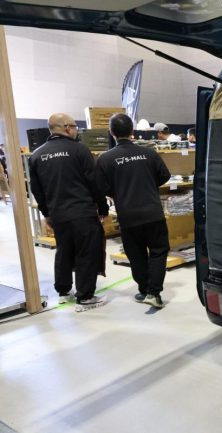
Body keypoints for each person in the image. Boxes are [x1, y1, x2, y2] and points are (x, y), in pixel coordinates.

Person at [28, 113, 108, 311]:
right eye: (74, 126)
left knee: (63, 250)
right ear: (66, 128)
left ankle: (63, 291)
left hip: (58, 214)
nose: (75, 130)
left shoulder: (37, 155)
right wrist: (103, 206)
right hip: (82, 211)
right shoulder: (79, 150)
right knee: (86, 252)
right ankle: (85, 296)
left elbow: (37, 190)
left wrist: (47, 213)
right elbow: (93, 181)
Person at [96, 114, 171, 308]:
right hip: (152, 211)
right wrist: (147, 184)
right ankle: (154, 292)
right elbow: (165, 175)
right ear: (132, 131)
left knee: (136, 254)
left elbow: (101, 188)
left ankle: (144, 290)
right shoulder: (149, 153)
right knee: (158, 251)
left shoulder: (105, 159)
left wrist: (119, 192)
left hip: (127, 214)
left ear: (111, 132)